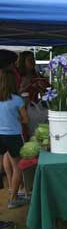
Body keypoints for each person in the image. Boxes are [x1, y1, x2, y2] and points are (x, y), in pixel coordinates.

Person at [0, 68, 29, 209]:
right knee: (18, 167)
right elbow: (25, 119)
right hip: (14, 136)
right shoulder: (17, 100)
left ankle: (10, 190)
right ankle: (13, 199)